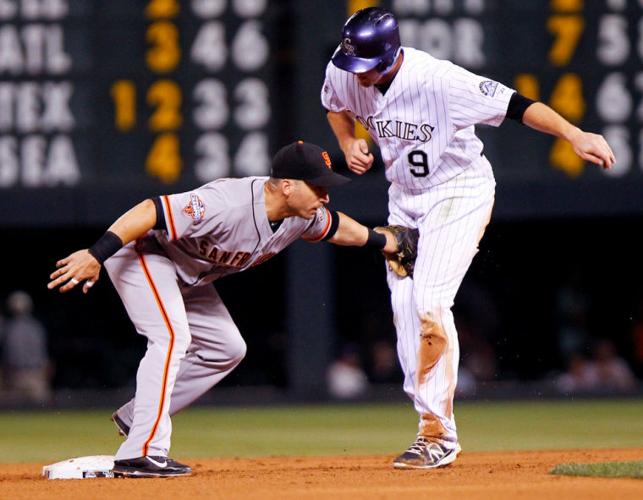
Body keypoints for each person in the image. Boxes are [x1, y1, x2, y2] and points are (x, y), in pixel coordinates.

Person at [322, 7, 615, 469]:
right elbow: (335, 106)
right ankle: (428, 428)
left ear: (393, 55)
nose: (358, 75)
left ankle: (439, 436)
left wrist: (572, 133)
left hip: (458, 192)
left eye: (368, 66)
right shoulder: (345, 68)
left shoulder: (439, 80)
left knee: (430, 301)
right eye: (353, 63)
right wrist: (346, 142)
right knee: (404, 312)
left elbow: (517, 104)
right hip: (405, 200)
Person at [48, 141, 400, 478]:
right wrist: (97, 254)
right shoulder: (226, 203)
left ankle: (137, 416)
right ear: (288, 186)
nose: (326, 195)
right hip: (145, 252)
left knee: (227, 349)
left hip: (188, 275)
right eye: (318, 187)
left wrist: (385, 241)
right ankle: (141, 451)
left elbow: (338, 227)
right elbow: (150, 210)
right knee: (171, 336)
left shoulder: (300, 216)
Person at [1, 290, 52, 404]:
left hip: (23, 375)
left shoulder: (9, 329)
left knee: (16, 413)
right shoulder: (35, 327)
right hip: (25, 376)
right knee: (42, 412)